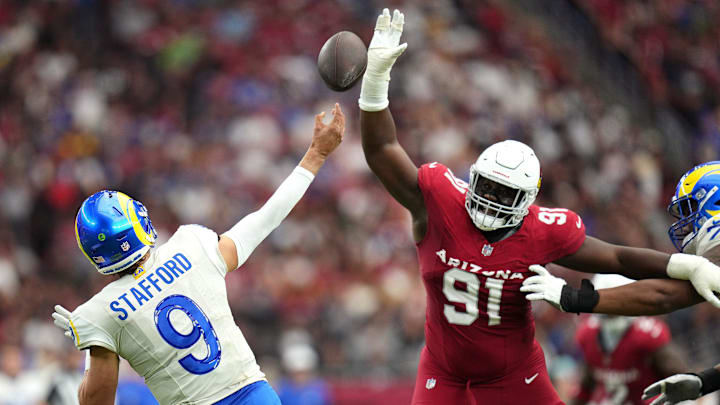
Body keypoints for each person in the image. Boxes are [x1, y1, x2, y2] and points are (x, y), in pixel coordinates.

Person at [357, 8, 720, 405]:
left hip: (513, 374)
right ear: (472, 177)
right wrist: (375, 82)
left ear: (527, 200)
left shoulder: (544, 230)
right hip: (442, 371)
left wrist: (685, 265)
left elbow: (616, 258)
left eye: (504, 194)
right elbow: (382, 149)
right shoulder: (441, 201)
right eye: (488, 187)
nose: (492, 200)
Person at [50, 104, 345, 405]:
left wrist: (91, 340)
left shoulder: (100, 312)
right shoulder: (190, 244)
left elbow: (97, 401)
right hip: (256, 397)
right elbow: (264, 219)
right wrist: (316, 155)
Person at [521, 162, 720, 405]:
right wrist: (707, 381)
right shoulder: (589, 336)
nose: (686, 224)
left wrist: (574, 298)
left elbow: (664, 296)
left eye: (691, 210)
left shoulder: (644, 337)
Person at [570, 274, 688, 405]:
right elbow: (586, 386)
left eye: (616, 305)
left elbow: (679, 379)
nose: (611, 311)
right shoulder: (588, 334)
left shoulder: (647, 334)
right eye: (605, 305)